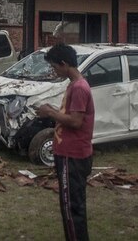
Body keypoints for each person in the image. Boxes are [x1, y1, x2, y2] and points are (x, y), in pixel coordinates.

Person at [36, 44, 95, 241]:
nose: (54, 71)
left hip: (73, 156)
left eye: (54, 67)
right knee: (71, 206)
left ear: (64, 63)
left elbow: (76, 122)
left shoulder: (79, 88)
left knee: (72, 208)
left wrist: (50, 113)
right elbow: (71, 115)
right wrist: (53, 110)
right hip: (68, 154)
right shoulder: (74, 84)